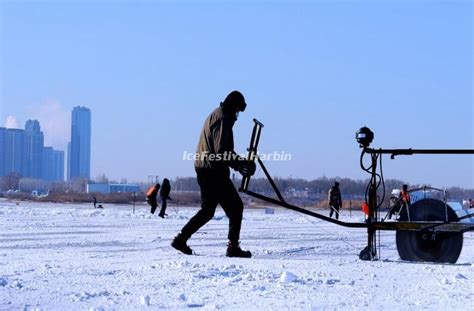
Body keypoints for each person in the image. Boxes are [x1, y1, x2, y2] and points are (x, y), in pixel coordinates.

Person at [171, 90, 256, 257]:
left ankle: (181, 239)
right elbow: (221, 150)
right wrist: (240, 165)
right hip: (212, 170)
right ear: (233, 107)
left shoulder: (216, 115)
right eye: (237, 111)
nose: (237, 116)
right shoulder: (223, 118)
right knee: (235, 207)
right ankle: (232, 247)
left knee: (208, 210)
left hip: (206, 167)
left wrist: (239, 163)